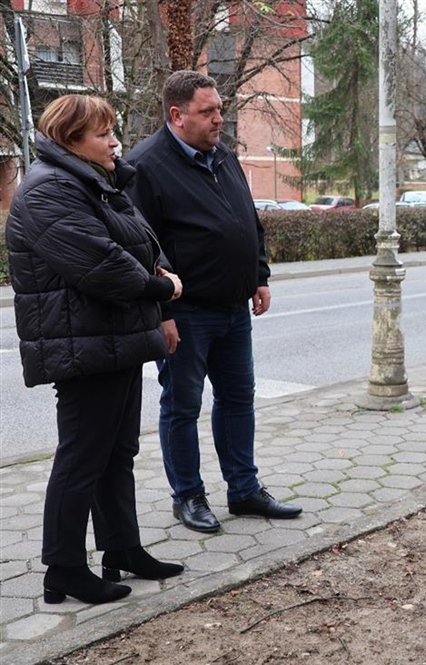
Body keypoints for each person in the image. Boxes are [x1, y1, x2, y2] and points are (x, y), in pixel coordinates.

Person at [6, 95, 185, 604]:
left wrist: (159, 272)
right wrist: (161, 288)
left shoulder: (96, 184)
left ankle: (122, 548)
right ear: (69, 139)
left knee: (116, 455)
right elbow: (101, 264)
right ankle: (62, 568)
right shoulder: (48, 191)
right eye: (103, 133)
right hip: (82, 345)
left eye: (113, 132)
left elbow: (142, 242)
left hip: (114, 339)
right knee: (82, 458)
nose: (114, 142)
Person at [125, 70, 302, 533]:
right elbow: (143, 248)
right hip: (186, 313)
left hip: (233, 307)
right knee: (182, 406)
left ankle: (243, 490)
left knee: (239, 398)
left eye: (220, 108)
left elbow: (248, 219)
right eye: (208, 112)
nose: (219, 119)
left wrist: (259, 274)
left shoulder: (221, 155)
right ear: (177, 115)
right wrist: (162, 313)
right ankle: (188, 497)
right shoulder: (146, 166)